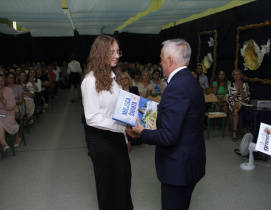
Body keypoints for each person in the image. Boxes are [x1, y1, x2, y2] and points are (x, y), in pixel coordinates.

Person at [132, 39, 206, 210]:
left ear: (170, 60)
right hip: (190, 162)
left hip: (178, 168)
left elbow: (168, 135)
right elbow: (179, 118)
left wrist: (142, 132)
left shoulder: (176, 87)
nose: (160, 63)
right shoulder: (190, 80)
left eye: (162, 59)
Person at [81, 35, 135, 210]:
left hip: (116, 137)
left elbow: (118, 110)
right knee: (109, 186)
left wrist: (125, 134)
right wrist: (121, 127)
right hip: (101, 140)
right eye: (111, 51)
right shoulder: (90, 81)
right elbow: (92, 118)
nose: (117, 55)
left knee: (124, 179)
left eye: (117, 51)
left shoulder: (112, 77)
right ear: (100, 53)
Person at [226, 69, 250, 142]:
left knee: (236, 111)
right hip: (233, 104)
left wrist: (242, 91)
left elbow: (247, 99)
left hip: (243, 104)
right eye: (235, 75)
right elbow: (229, 99)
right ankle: (239, 127)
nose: (237, 76)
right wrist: (237, 92)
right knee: (238, 105)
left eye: (238, 74)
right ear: (233, 76)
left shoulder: (245, 85)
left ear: (241, 75)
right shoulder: (230, 86)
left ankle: (235, 132)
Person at [120, 72, 140, 151]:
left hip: (132, 113)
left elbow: (137, 102)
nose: (124, 80)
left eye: (125, 78)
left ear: (129, 79)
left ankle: (130, 141)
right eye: (121, 79)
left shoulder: (134, 89)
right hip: (122, 114)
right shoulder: (119, 90)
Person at [0, 74, 19, 152]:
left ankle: (4, 144)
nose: (0, 83)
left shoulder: (9, 90)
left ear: (4, 81)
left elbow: (11, 106)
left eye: (1, 81)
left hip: (8, 114)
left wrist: (3, 99)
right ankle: (4, 144)